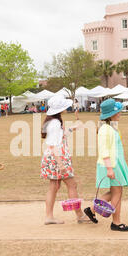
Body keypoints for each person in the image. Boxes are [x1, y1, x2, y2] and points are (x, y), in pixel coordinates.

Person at [84, 99, 128, 232]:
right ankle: (116, 222)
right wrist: (109, 168)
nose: (120, 114)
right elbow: (104, 150)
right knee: (117, 192)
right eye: (117, 112)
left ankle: (92, 209)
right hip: (111, 164)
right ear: (111, 114)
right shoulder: (105, 129)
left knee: (115, 191)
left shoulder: (111, 127)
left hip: (115, 163)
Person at [40, 94, 91, 225]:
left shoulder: (53, 122)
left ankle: (49, 216)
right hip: (57, 158)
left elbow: (59, 138)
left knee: (53, 186)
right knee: (72, 185)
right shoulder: (55, 124)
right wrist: (61, 165)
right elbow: (53, 145)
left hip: (53, 158)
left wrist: (71, 128)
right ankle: (79, 215)